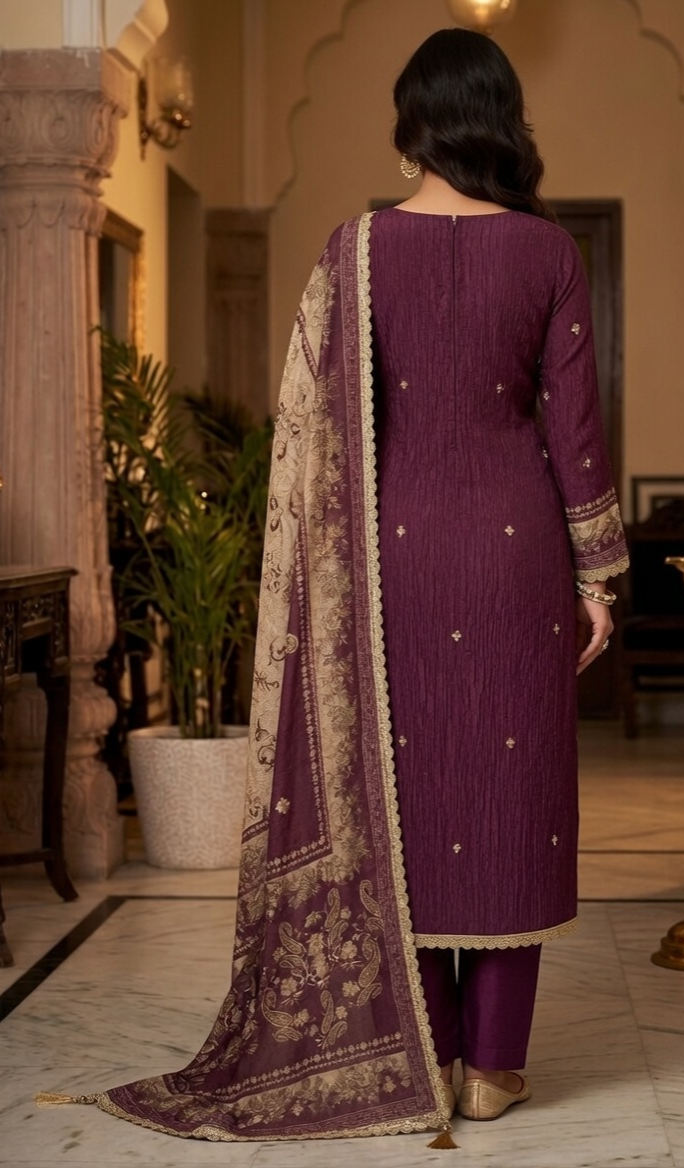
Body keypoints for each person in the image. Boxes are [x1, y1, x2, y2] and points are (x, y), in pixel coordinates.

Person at [43, 27, 627, 1145]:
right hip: (513, 557)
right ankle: (493, 1068)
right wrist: (597, 574)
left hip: (387, 558)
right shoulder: (550, 254)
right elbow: (576, 434)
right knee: (505, 796)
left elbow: (313, 434)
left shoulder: (351, 251)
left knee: (400, 795)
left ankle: (422, 1049)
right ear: (503, 123)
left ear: (411, 125)